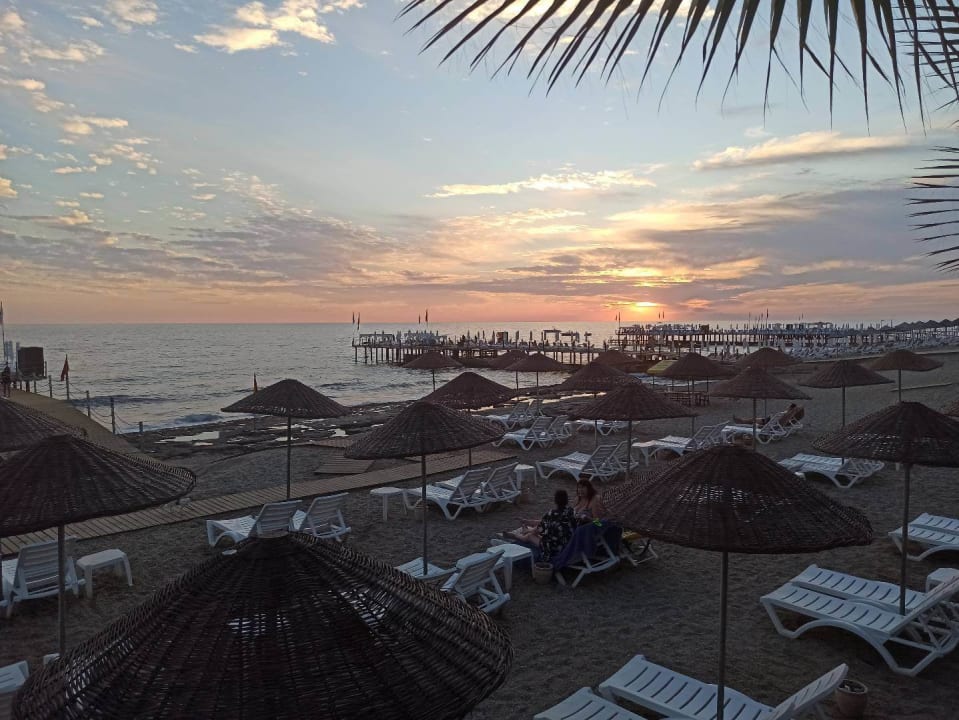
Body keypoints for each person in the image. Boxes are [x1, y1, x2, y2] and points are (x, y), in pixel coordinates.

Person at [505, 489, 577, 561]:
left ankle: (516, 536)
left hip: (555, 548)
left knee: (530, 536)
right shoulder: (570, 511)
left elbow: (538, 529)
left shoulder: (551, 514)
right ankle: (526, 530)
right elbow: (544, 522)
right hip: (568, 543)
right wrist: (528, 522)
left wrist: (529, 531)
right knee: (543, 529)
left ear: (555, 500)